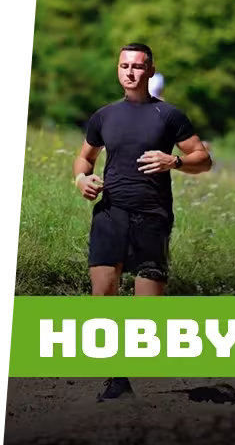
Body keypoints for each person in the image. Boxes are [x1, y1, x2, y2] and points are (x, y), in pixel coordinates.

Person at [73, 43, 211, 401]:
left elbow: (203, 158)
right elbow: (85, 158)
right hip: (111, 211)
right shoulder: (104, 116)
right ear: (118, 70)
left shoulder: (169, 115)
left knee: (147, 308)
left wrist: (174, 161)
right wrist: (81, 179)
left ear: (150, 71)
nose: (130, 72)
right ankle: (117, 377)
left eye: (137, 66)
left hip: (152, 216)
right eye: (124, 66)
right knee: (103, 293)